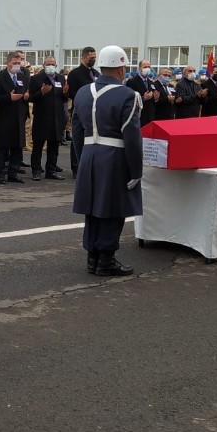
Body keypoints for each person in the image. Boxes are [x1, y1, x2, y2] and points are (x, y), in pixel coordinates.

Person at [71, 45, 142, 277]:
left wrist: (84, 158)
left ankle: (92, 256)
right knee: (113, 209)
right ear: (121, 68)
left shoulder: (82, 92)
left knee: (92, 208)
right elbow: (131, 136)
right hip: (114, 156)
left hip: (90, 154)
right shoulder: (127, 95)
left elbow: (77, 131)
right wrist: (136, 170)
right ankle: (106, 259)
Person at [0, 51, 29, 184]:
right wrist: (8, 98)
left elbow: (25, 91)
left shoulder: (22, 78)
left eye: (19, 63)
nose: (17, 65)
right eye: (15, 63)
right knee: (3, 147)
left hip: (19, 116)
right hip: (5, 117)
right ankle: (1, 173)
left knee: (17, 147)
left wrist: (25, 96)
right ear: (8, 63)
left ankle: (13, 172)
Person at [28, 55, 66, 180]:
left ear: (56, 66)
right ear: (44, 66)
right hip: (42, 117)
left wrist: (66, 93)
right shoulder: (36, 79)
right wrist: (41, 93)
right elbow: (31, 98)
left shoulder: (60, 78)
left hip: (57, 117)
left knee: (54, 146)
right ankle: (36, 170)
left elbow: (64, 98)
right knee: (38, 145)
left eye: (53, 64)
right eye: (48, 64)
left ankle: (51, 170)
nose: (50, 66)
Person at [65, 46, 99, 177]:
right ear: (84, 57)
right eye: (91, 58)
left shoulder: (96, 74)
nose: (93, 60)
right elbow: (73, 93)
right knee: (78, 139)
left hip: (95, 112)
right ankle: (76, 167)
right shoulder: (75, 74)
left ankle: (89, 165)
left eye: (95, 58)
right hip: (80, 111)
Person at [126, 59, 159, 127]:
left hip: (150, 117)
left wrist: (156, 98)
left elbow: (153, 101)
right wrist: (143, 98)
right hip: (139, 117)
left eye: (149, 67)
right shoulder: (132, 81)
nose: (147, 69)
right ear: (139, 68)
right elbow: (129, 99)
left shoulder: (151, 82)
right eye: (145, 67)